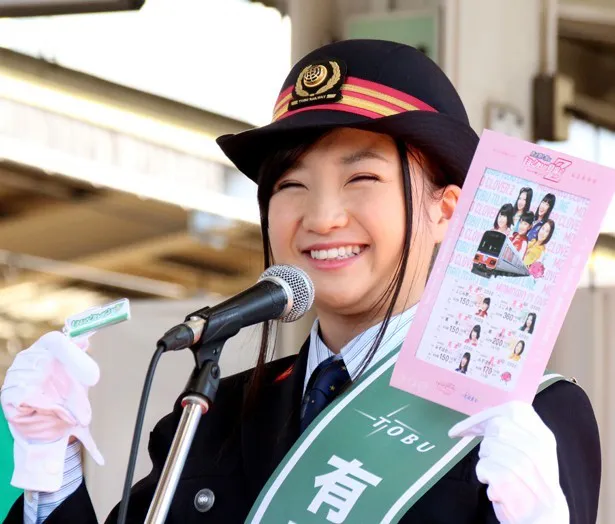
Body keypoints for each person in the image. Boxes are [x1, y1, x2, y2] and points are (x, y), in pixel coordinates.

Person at [1, 39, 601, 524]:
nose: (320, 218)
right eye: (290, 186)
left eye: (360, 178)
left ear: (446, 210)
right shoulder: (214, 411)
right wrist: (50, 466)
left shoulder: (523, 417)